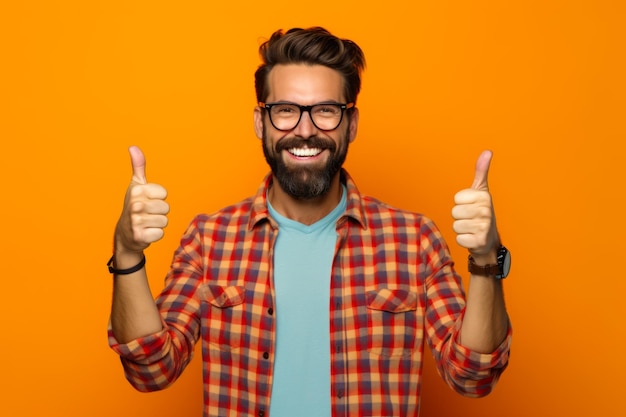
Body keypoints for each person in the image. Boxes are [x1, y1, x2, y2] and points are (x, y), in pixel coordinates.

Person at [107, 27, 512, 417]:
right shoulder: (209, 239)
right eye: (285, 111)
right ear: (259, 122)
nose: (305, 130)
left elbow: (471, 375)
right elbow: (151, 370)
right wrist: (126, 252)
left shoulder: (415, 240)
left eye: (325, 111)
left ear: (351, 124)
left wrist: (486, 259)